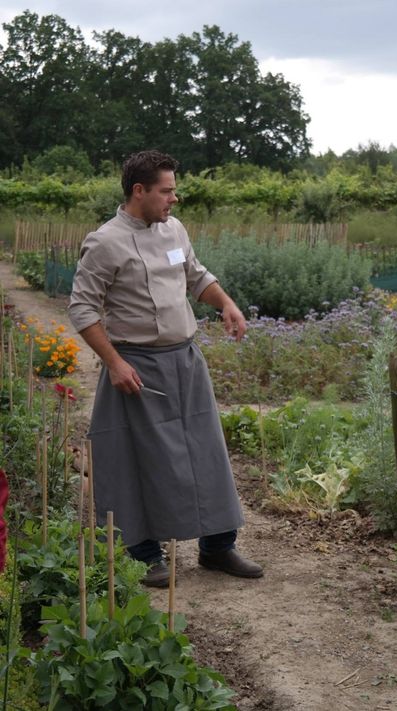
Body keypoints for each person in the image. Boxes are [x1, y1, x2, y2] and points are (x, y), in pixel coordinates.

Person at [68, 150, 263, 587]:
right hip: (135, 368)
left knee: (205, 452)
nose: (174, 199)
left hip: (185, 361)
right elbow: (82, 309)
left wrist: (226, 303)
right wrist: (114, 363)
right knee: (138, 461)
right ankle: (143, 555)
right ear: (139, 191)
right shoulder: (105, 242)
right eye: (167, 191)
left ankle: (218, 547)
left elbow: (196, 276)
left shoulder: (173, 229)